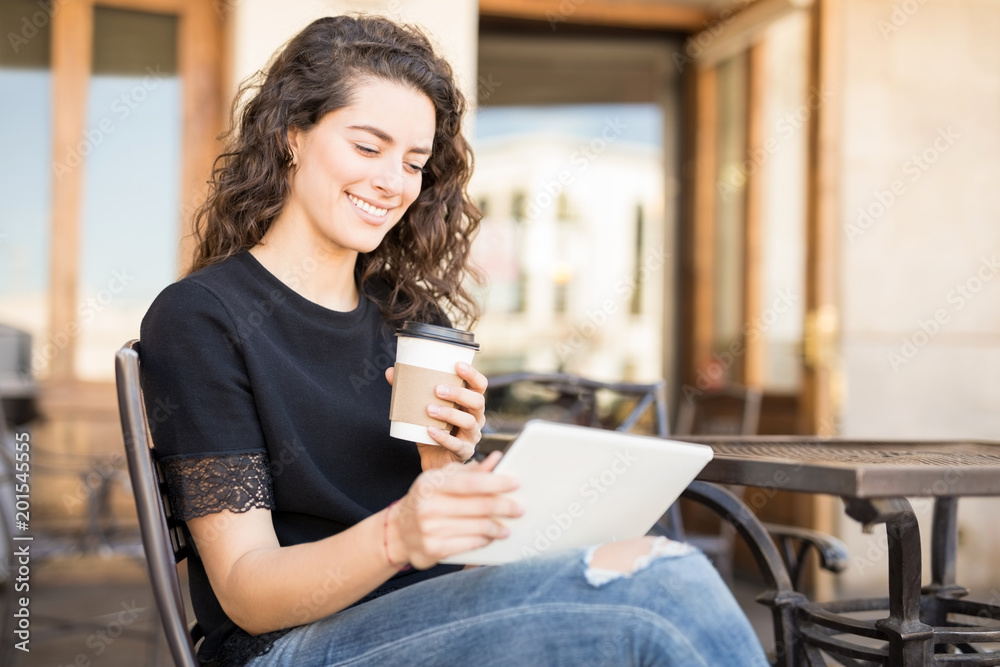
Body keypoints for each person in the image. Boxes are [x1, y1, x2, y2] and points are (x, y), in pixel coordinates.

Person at [139, 14, 769, 667]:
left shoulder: (405, 315)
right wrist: (398, 534)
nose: (393, 182)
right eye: (367, 146)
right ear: (291, 135)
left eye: (414, 162)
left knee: (654, 564)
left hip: (435, 613)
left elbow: (454, 549)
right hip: (289, 647)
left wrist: (446, 470)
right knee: (665, 590)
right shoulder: (202, 318)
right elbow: (246, 589)